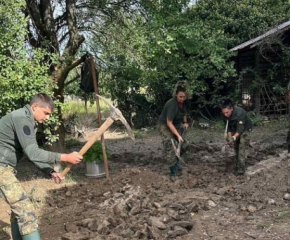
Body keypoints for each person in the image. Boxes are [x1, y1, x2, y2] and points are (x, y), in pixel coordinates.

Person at [0, 93, 83, 240]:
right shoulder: (22, 119)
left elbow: (32, 153)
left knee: (18, 210)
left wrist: (50, 171)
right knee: (24, 208)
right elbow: (33, 153)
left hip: (5, 167)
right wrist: (65, 157)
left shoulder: (27, 120)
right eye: (46, 113)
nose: (47, 118)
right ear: (35, 106)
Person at [157, 81, 189, 178]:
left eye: (184, 97)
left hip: (176, 125)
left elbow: (184, 112)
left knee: (184, 144)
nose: (182, 99)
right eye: (180, 97)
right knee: (171, 145)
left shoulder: (185, 102)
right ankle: (173, 171)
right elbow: (169, 122)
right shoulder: (171, 104)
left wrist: (185, 122)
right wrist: (178, 135)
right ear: (176, 95)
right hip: (164, 126)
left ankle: (177, 161)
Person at [221, 99, 252, 175]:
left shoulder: (239, 113)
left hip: (245, 128)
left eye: (227, 112)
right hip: (235, 129)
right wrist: (229, 138)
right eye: (224, 113)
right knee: (236, 147)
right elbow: (228, 127)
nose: (225, 114)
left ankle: (241, 170)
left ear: (231, 109)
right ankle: (238, 164)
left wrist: (233, 138)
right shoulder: (225, 114)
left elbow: (240, 129)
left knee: (242, 145)